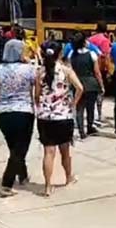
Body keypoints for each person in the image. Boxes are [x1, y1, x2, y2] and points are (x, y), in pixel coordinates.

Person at [0, 39, 36, 198]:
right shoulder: (28, 69)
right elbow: (38, 87)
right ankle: (6, 184)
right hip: (23, 111)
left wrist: (3, 94)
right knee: (20, 148)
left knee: (14, 146)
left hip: (3, 112)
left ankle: (23, 174)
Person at [35, 41, 83, 197]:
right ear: (60, 54)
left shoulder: (40, 72)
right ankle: (68, 177)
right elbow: (80, 88)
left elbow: (36, 95)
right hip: (63, 115)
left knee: (48, 152)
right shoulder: (66, 71)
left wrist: (41, 105)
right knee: (65, 151)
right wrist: (73, 103)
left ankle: (47, 186)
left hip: (45, 116)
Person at [70, 32, 105, 139]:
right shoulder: (91, 54)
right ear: (84, 42)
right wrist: (101, 85)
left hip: (77, 83)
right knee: (91, 107)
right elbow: (97, 72)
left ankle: (81, 131)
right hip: (91, 84)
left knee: (79, 108)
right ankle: (90, 127)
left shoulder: (72, 54)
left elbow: (70, 70)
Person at [88, 21, 112, 126]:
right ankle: (99, 114)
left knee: (91, 94)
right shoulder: (105, 40)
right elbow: (105, 56)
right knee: (100, 92)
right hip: (100, 69)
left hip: (89, 67)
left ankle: (91, 115)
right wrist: (109, 70)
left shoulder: (90, 39)